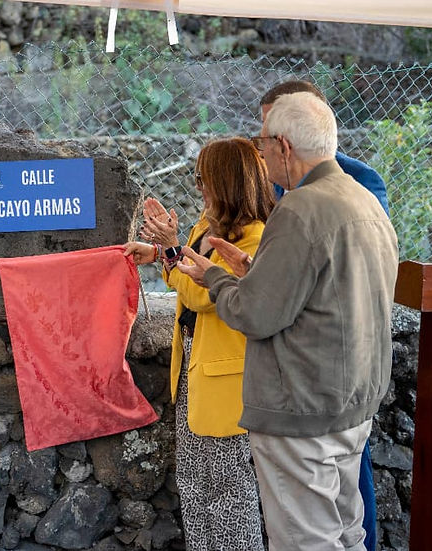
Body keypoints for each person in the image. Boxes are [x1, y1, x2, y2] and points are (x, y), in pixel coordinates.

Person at [176, 92, 398, 551]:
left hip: (302, 409)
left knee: (305, 541)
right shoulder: (363, 200)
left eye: (262, 144)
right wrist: (251, 271)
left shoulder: (299, 209)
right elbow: (325, 292)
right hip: (352, 402)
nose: (260, 156)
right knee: (347, 533)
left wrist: (215, 277)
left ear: (284, 146)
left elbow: (255, 314)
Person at [124, 138, 275, 551]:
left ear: (226, 182)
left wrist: (171, 251)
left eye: (202, 178)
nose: (199, 187)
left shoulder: (254, 239)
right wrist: (164, 251)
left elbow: (200, 294)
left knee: (229, 498)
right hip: (194, 371)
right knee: (194, 489)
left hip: (228, 384)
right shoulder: (206, 228)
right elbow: (184, 273)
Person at [260, 79, 388, 551]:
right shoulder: (282, 183)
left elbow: (267, 307)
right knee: (342, 526)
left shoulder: (352, 185)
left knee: (322, 529)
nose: (263, 148)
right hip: (334, 384)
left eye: (267, 135)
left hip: (323, 384)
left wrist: (225, 283)